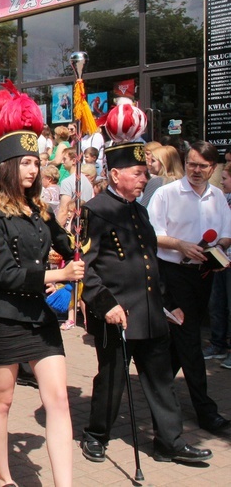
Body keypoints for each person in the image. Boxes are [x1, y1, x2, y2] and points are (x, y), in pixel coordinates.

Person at [79, 141, 213, 465]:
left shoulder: (139, 210)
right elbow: (87, 267)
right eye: (137, 173)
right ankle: (97, 435)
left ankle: (170, 442)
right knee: (111, 381)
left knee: (161, 380)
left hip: (151, 313)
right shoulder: (96, 210)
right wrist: (104, 304)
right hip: (117, 315)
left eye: (144, 173)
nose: (144, 178)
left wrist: (167, 303)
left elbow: (151, 261)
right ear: (114, 174)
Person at [0, 122, 84, 487]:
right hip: (3, 316)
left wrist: (79, 219)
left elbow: (72, 248)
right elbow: (5, 275)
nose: (33, 170)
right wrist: (59, 276)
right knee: (2, 401)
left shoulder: (40, 212)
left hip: (38, 316)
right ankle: (4, 479)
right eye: (24, 163)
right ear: (7, 167)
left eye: (35, 162)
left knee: (59, 401)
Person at [148, 140, 231, 433]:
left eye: (203, 166)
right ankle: (205, 411)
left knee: (180, 340)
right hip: (173, 274)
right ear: (186, 162)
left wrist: (217, 250)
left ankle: (157, 388)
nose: (196, 170)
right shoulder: (166, 193)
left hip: (204, 274)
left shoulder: (218, 196)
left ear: (213, 168)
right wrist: (181, 245)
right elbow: (153, 233)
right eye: (192, 164)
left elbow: (225, 234)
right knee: (190, 339)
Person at [205, 162, 231, 367]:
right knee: (217, 304)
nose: (222, 182)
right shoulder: (224, 199)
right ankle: (218, 343)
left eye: (225, 178)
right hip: (221, 261)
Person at [56, 148, 94, 227]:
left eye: (65, 159)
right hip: (83, 225)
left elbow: (64, 210)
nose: (62, 162)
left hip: (71, 226)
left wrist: (57, 231)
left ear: (73, 161)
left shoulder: (67, 182)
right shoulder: (88, 182)